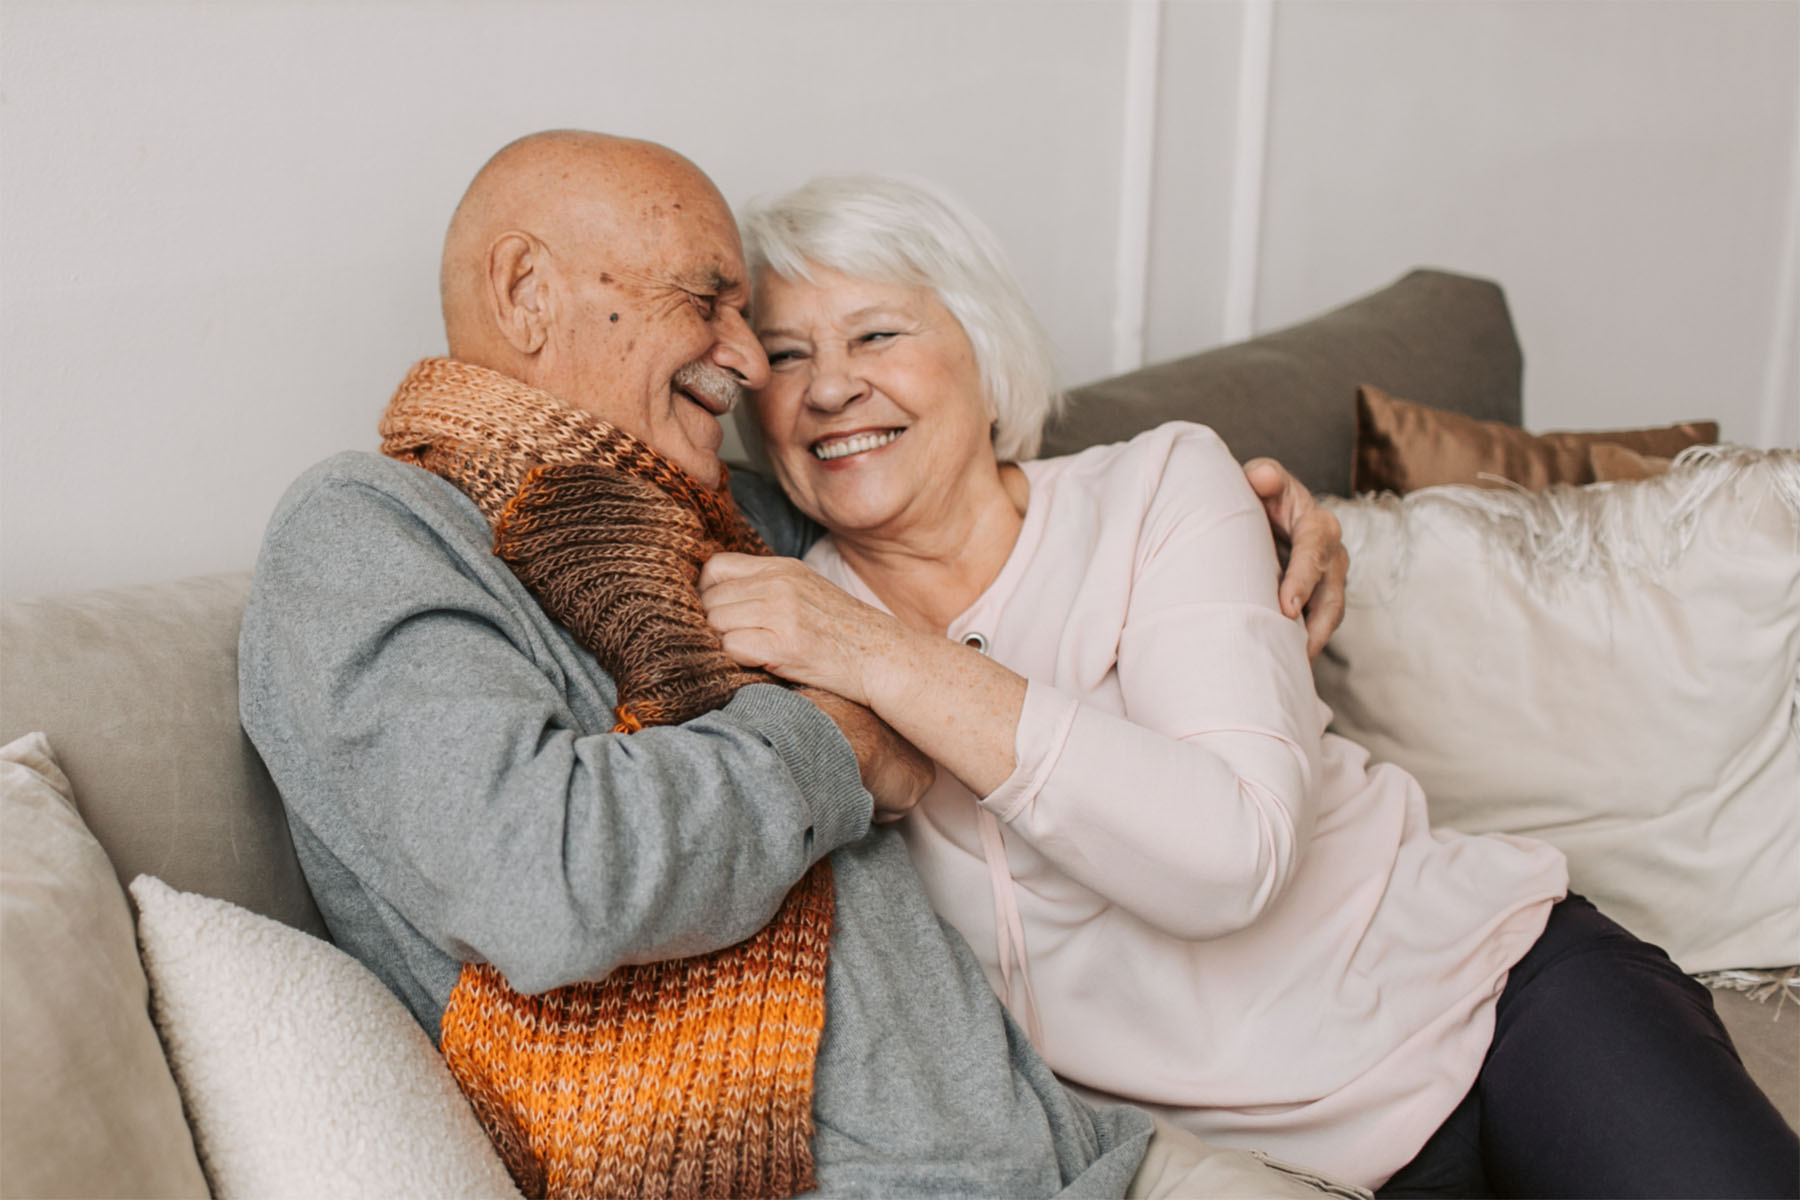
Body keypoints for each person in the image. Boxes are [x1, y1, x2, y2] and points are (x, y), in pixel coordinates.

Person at [238, 130, 1361, 1200]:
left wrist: (1248, 515)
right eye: (710, 301)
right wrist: (840, 743)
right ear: (528, 292)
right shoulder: (368, 533)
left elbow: (947, 484)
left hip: (1077, 1152)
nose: (744, 360)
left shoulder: (726, 514)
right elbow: (545, 881)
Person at [699, 171, 1800, 1199]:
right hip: (1241, 1163)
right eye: (786, 358)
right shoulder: (779, 609)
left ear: (984, 355)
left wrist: (884, 657)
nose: (832, 387)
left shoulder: (1161, 487)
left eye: (877, 333)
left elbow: (1231, 858)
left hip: (1493, 1004)